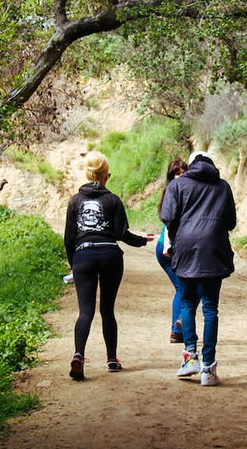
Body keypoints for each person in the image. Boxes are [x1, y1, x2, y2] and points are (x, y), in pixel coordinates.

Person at [64, 151, 154, 380]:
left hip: (83, 256)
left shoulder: (75, 201)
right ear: (106, 176)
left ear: (87, 174)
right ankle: (112, 360)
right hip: (110, 256)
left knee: (85, 312)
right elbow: (121, 233)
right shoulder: (112, 199)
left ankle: (78, 355)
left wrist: (74, 262)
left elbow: (69, 237)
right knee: (107, 310)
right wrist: (143, 240)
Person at [160, 151, 236, 386]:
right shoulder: (223, 186)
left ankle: (190, 357)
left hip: (186, 248)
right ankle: (209, 368)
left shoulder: (178, 185)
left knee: (187, 303)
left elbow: (167, 216)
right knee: (211, 308)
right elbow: (231, 222)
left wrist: (176, 235)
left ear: (191, 165)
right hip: (214, 250)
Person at [155, 159, 189, 343]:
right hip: (168, 247)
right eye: (177, 173)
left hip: (172, 246)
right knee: (185, 288)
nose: (181, 177)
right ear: (172, 176)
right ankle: (180, 326)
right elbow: (169, 222)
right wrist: (168, 245)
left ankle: (179, 330)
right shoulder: (175, 192)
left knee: (184, 288)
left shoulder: (171, 191)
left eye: (184, 173)